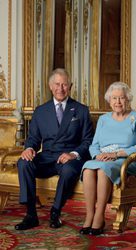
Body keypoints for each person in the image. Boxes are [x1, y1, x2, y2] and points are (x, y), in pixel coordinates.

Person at [15, 68, 93, 230]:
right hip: (48, 156)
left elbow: (88, 141)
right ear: (50, 86)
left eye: (64, 84)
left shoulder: (81, 110)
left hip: (69, 158)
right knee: (23, 163)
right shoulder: (41, 111)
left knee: (68, 170)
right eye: (57, 84)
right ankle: (30, 214)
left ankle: (55, 212)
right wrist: (29, 148)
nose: (61, 88)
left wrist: (73, 154)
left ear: (70, 86)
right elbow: (33, 139)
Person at [79, 81, 136, 235]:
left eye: (122, 98)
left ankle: (100, 216)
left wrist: (116, 154)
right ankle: (90, 215)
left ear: (128, 99)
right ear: (109, 100)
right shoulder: (103, 119)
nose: (118, 102)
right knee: (88, 168)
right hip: (103, 159)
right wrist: (97, 155)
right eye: (114, 98)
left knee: (103, 170)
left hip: (126, 161)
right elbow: (93, 145)